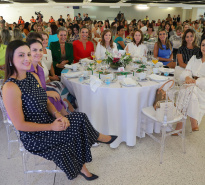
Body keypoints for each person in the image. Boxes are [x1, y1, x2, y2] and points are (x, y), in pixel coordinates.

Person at [2, 40, 118, 181]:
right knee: (73, 131)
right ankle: (85, 161)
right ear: (10, 59)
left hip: (48, 120)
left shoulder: (32, 76)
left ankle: (94, 143)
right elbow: (20, 125)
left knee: (79, 117)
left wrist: (57, 114)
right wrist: (52, 126)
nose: (27, 59)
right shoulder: (10, 87)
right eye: (21, 55)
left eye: (28, 54)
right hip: (35, 136)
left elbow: (45, 100)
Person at [174, 36, 205, 132]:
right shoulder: (194, 58)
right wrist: (187, 77)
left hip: (204, 89)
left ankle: (180, 122)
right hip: (190, 84)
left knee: (188, 90)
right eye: (203, 45)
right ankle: (194, 120)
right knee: (190, 90)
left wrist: (195, 82)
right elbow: (188, 70)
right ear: (200, 46)